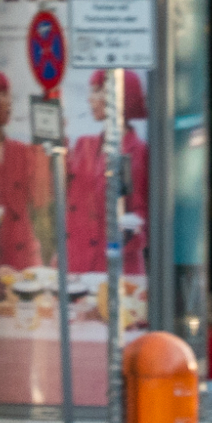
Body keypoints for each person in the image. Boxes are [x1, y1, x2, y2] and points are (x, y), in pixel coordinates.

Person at [66, 69, 149, 279]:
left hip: (119, 270)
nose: (89, 98)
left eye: (96, 91)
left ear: (116, 96)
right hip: (80, 269)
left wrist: (129, 229)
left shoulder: (138, 152)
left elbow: (141, 217)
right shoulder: (84, 146)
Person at [0, 71, 44, 274]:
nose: (8, 101)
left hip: (23, 254)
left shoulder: (22, 151)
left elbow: (39, 200)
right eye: (2, 94)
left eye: (8, 95)